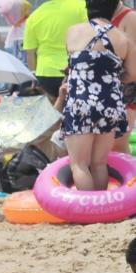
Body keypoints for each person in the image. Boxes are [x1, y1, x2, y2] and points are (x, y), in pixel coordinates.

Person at [62, 0, 134, 191]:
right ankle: (101, 211)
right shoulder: (122, 38)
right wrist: (112, 79)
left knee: (79, 164)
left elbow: (72, 63)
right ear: (112, 9)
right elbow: (132, 74)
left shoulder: (73, 31)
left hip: (81, 103)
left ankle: (87, 212)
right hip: (110, 104)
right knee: (99, 164)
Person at [24, 0, 88, 99]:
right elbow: (90, 34)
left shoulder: (35, 15)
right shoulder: (82, 6)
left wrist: (33, 76)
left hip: (45, 74)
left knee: (51, 112)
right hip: (74, 69)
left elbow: (30, 53)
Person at [110, 0, 136, 154]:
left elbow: (132, 66)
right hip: (105, 88)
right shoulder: (96, 15)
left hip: (126, 88)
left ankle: (129, 177)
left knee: (117, 144)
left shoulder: (130, 18)